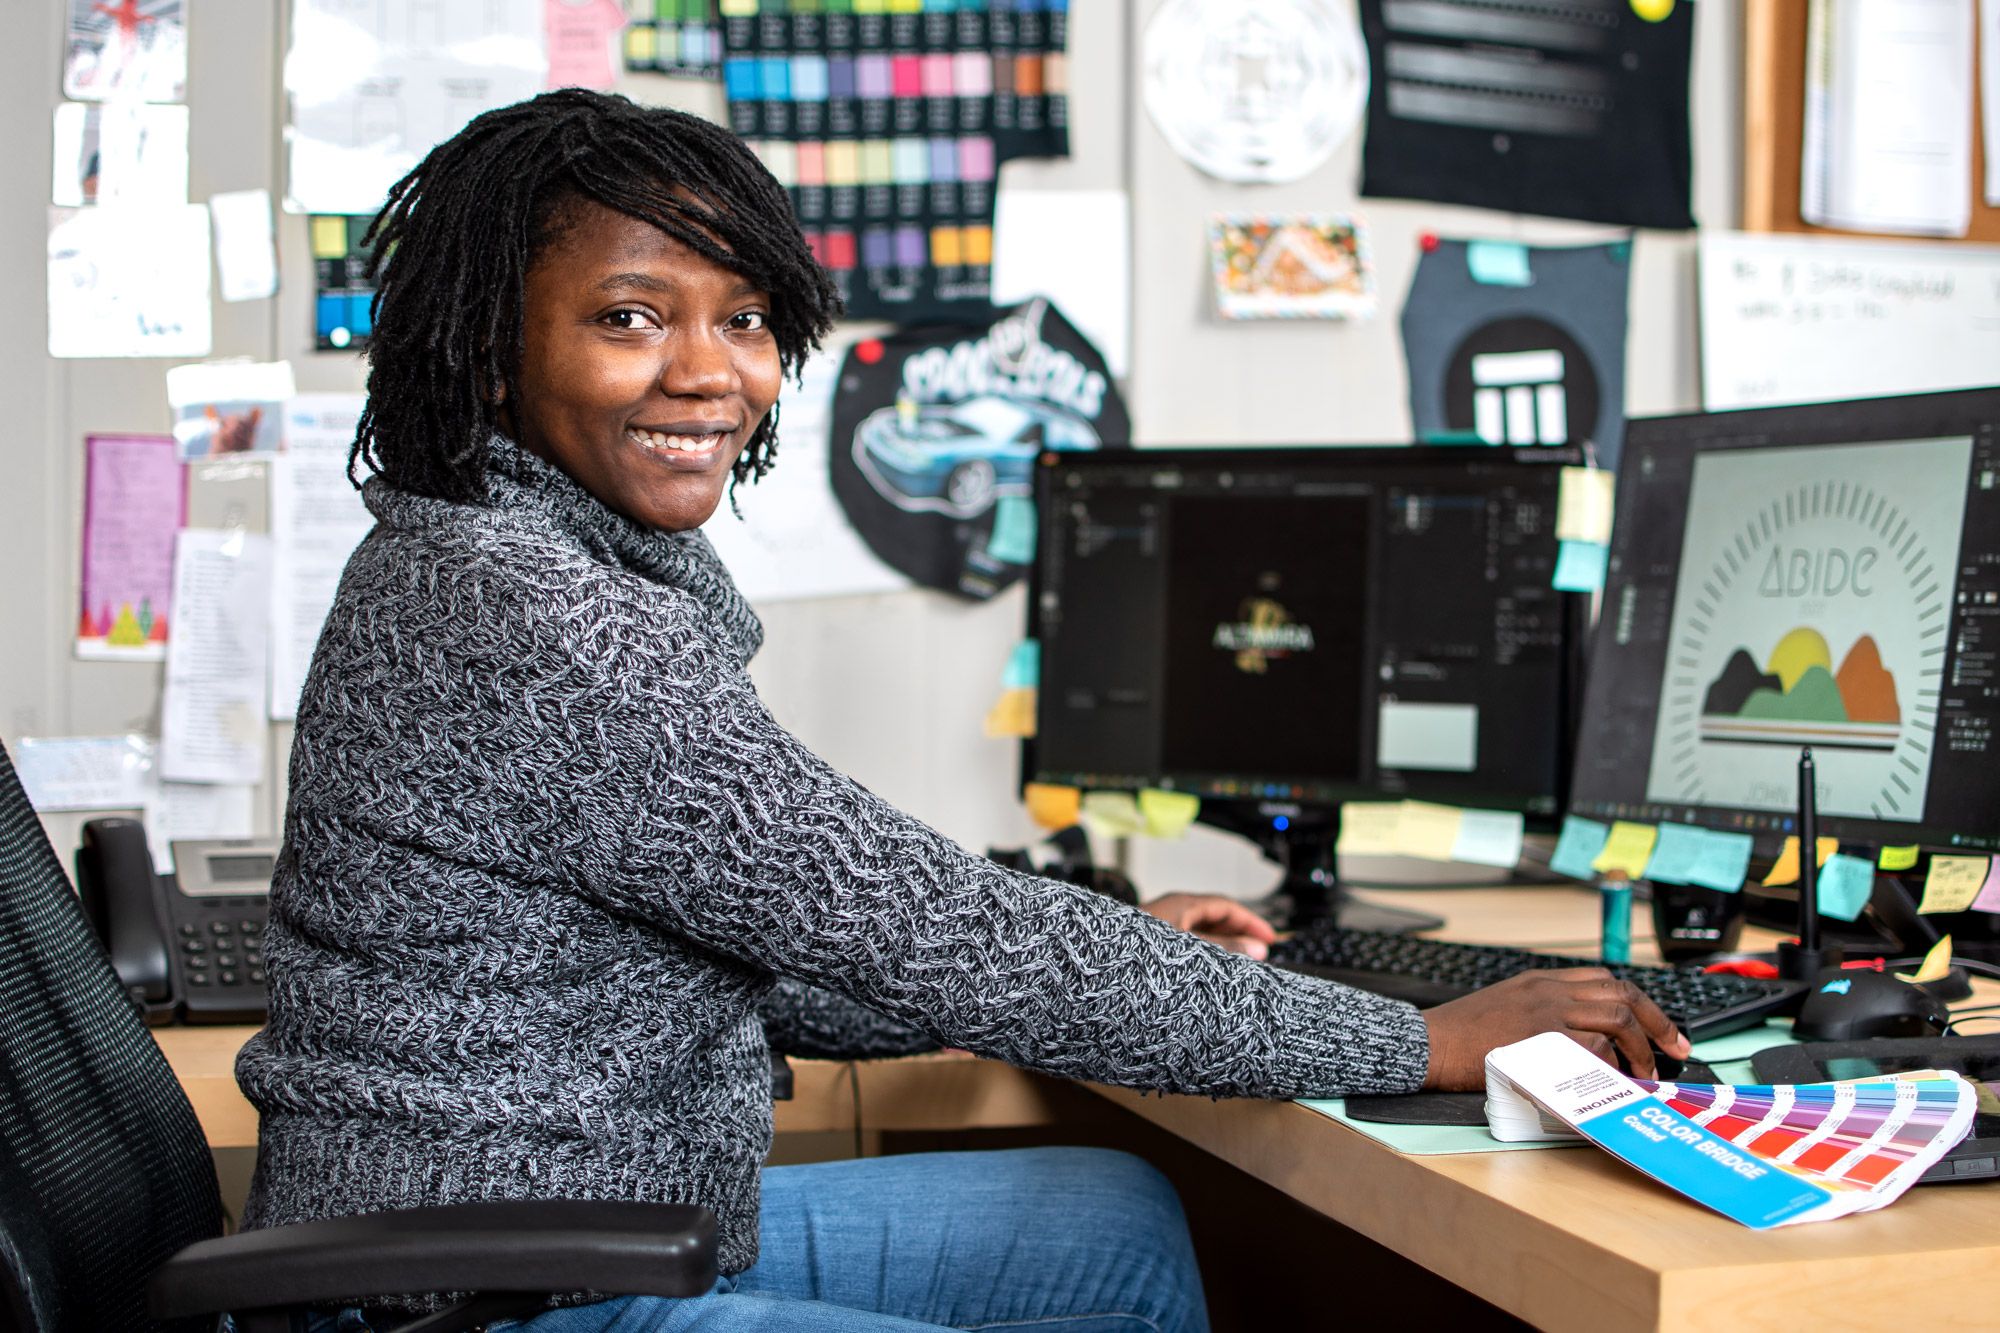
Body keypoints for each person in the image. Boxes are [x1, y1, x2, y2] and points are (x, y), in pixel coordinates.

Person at [235, 89, 1686, 1333]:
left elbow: (771, 949)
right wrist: (1415, 1040)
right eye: (631, 317)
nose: (709, 372)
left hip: (568, 1234)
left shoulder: (519, 558)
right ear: (493, 352)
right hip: (485, 1288)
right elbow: (945, 934)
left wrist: (1129, 940)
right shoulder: (536, 614)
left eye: (742, 318)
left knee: (1111, 1223)